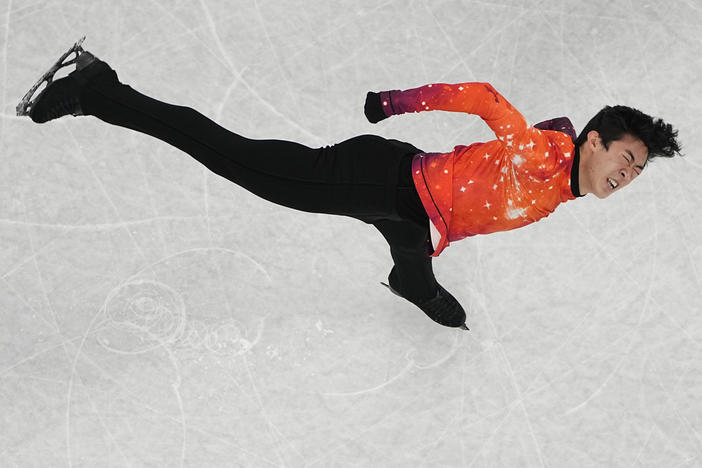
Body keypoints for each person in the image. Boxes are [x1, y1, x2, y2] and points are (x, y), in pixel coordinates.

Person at [18, 39, 682, 330]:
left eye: (637, 172)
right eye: (625, 158)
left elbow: (542, 139)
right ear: (595, 142)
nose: (626, 176)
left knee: (411, 252)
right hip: (375, 178)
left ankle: (410, 282)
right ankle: (100, 89)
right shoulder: (543, 152)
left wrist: (558, 133)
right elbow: (483, 97)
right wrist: (394, 101)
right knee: (229, 155)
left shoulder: (562, 166)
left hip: (414, 208)